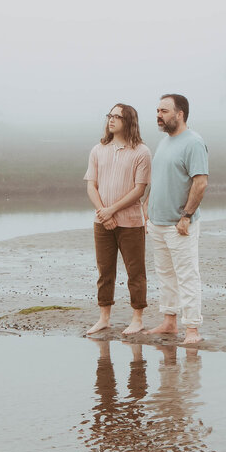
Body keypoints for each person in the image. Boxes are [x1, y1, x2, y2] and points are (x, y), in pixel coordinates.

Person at [145, 93, 209, 345]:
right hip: (157, 222)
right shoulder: (164, 142)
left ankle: (192, 328)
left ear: (179, 114)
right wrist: (146, 208)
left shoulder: (193, 142)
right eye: (158, 111)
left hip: (179, 224)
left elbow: (200, 182)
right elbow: (158, 179)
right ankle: (169, 321)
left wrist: (186, 216)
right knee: (165, 274)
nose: (158, 116)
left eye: (164, 111)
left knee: (186, 275)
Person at [84, 103, 152, 336]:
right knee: (105, 271)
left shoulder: (141, 151)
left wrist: (112, 210)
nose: (111, 120)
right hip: (102, 222)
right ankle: (104, 318)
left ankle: (137, 318)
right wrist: (104, 213)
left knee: (136, 272)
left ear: (129, 121)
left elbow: (139, 190)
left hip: (131, 223)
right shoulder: (98, 149)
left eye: (117, 117)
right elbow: (91, 185)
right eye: (109, 116)